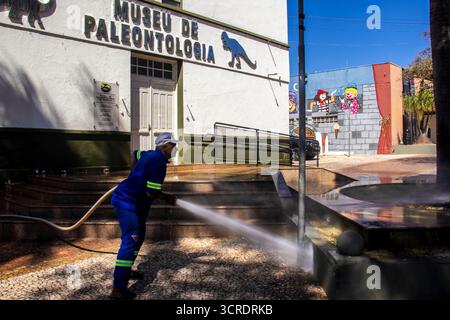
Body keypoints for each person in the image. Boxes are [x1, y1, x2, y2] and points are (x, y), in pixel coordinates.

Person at [110, 132, 178, 300]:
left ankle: (126, 271)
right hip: (127, 203)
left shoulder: (150, 154)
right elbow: (150, 193)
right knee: (130, 240)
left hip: (134, 202)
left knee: (139, 237)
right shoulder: (158, 162)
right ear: (164, 146)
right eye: (172, 145)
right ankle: (118, 288)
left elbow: (134, 154)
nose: (174, 148)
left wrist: (134, 176)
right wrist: (167, 197)